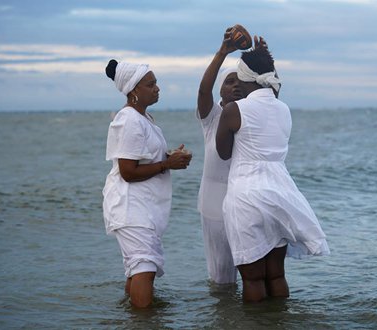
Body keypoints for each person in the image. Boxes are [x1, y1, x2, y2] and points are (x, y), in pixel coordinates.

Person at [216, 40, 330, 302]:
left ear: (244, 78)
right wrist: (265, 57)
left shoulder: (235, 110)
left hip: (246, 197)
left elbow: (224, 152)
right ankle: (280, 321)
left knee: (253, 279)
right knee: (276, 275)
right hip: (280, 193)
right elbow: (270, 91)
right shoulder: (283, 109)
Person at [102, 59, 192, 308]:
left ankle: (133, 319)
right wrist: (166, 165)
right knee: (144, 266)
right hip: (132, 207)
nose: (157, 88)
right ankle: (143, 320)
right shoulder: (130, 119)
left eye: (156, 83)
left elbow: (142, 158)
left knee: (138, 267)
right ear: (133, 90)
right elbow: (128, 171)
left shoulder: (143, 118)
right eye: (150, 84)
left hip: (142, 207)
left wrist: (171, 157)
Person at [196, 27, 242, 284]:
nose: (235, 86)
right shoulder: (211, 116)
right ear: (221, 89)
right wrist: (223, 52)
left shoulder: (249, 115)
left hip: (244, 201)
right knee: (222, 277)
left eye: (239, 82)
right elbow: (204, 92)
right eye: (229, 81)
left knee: (253, 271)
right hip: (214, 204)